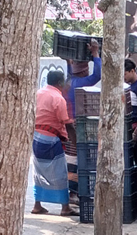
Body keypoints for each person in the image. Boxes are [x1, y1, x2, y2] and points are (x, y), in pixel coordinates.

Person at [31, 71, 76, 216]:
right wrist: (75, 141)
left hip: (36, 136)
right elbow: (67, 123)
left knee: (38, 172)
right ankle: (65, 207)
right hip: (50, 139)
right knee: (60, 172)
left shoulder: (39, 93)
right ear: (60, 83)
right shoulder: (58, 98)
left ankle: (37, 205)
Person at [65, 39, 102, 203]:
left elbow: (70, 72)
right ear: (83, 72)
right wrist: (95, 54)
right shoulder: (81, 82)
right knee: (77, 158)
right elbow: (98, 75)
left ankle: (72, 192)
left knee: (72, 157)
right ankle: (73, 193)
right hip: (76, 125)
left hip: (68, 124)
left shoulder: (69, 81)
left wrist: (68, 62)